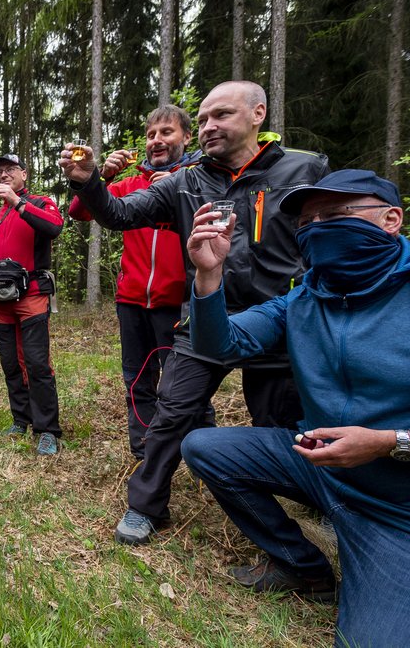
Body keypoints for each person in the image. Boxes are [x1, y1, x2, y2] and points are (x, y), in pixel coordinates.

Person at [60, 81, 330, 544]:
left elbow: (330, 240)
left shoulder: (304, 170)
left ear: (258, 114)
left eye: (220, 116)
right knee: (172, 410)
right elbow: (119, 214)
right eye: (203, 119)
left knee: (285, 421)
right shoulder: (187, 181)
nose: (208, 127)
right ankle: (145, 506)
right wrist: (88, 182)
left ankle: (323, 499)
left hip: (281, 320)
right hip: (207, 316)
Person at [180, 169, 410, 646]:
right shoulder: (304, 297)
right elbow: (222, 345)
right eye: (306, 222)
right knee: (206, 447)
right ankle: (304, 568)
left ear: (391, 219)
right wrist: (209, 275)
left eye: (334, 215)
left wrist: (390, 442)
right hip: (321, 465)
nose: (316, 228)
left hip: (404, 506)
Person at [69, 105, 202, 460]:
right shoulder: (132, 183)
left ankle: (201, 451)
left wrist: (177, 191)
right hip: (132, 300)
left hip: (179, 302)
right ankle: (144, 451)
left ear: (187, 137)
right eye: (151, 135)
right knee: (138, 379)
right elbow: (79, 212)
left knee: (187, 384)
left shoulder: (200, 179)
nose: (156, 141)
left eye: (166, 133)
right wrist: (103, 177)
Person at [0, 153, 64, 456]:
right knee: (10, 363)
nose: (4, 175)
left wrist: (17, 202)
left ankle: (47, 430)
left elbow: (54, 227)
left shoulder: (41, 203)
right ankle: (21, 419)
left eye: (10, 170)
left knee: (36, 363)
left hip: (31, 295)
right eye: (0, 173)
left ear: (24, 175)